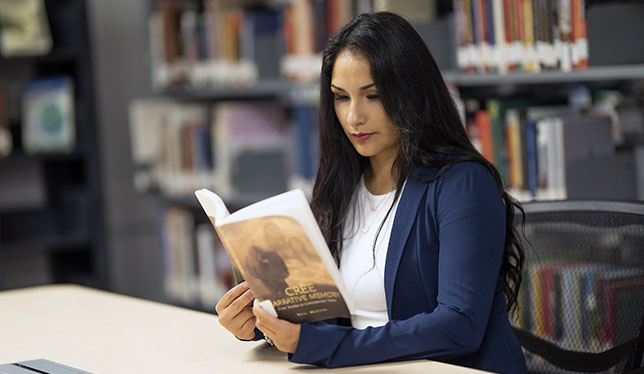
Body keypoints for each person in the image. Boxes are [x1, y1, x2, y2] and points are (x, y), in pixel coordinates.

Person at [215, 12, 528, 373]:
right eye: (340, 97)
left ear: (411, 92)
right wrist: (263, 326)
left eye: (373, 96)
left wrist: (323, 346)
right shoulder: (342, 183)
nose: (353, 117)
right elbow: (326, 312)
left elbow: (459, 326)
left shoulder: (462, 183)